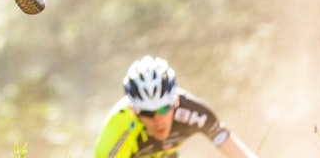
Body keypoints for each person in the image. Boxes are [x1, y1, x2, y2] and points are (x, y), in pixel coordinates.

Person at [93, 55, 260, 157]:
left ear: (176, 101)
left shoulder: (192, 112)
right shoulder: (118, 130)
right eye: (148, 113)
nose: (158, 120)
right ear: (134, 110)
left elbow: (240, 155)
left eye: (164, 109)